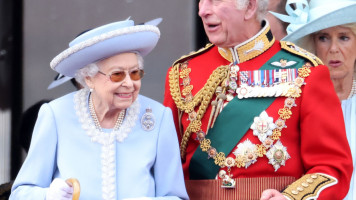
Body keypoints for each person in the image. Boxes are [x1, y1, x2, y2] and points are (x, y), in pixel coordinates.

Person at [163, 0, 353, 199]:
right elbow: (165, 167)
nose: (202, 11)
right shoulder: (182, 73)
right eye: (202, 1)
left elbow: (332, 167)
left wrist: (290, 198)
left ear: (250, 7)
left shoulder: (304, 70)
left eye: (216, 1)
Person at [10, 18, 188, 200]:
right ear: (88, 78)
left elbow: (176, 196)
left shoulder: (158, 117)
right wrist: (47, 195)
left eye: (135, 73)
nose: (129, 83)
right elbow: (19, 194)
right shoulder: (56, 115)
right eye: (117, 75)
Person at [275, 0, 356, 199]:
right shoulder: (294, 103)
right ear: (313, 43)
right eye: (324, 38)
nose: (334, 48)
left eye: (344, 37)